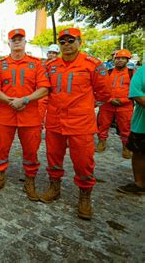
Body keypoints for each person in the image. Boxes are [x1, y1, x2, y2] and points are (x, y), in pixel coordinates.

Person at [41, 28, 111, 220]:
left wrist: (86, 105)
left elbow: (104, 93)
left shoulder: (93, 65)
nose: (66, 45)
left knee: (83, 162)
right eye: (62, 42)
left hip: (81, 123)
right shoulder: (51, 66)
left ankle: (85, 196)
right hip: (55, 121)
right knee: (53, 157)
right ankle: (54, 187)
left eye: (71, 41)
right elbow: (45, 91)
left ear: (80, 42)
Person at [0, 28, 50, 200]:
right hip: (6, 116)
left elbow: (44, 89)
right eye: (13, 39)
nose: (16, 42)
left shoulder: (36, 64)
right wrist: (10, 101)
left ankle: (30, 180)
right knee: (1, 148)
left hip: (30, 116)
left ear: (25, 42)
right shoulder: (0, 65)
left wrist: (25, 100)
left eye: (20, 39)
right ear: (8, 43)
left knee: (31, 150)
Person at [97, 49, 134, 158]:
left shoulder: (132, 73)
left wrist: (122, 100)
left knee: (126, 127)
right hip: (107, 104)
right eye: (117, 58)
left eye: (123, 58)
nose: (119, 60)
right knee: (103, 124)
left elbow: (134, 90)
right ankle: (102, 141)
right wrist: (110, 99)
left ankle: (126, 146)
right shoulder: (107, 72)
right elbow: (102, 88)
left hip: (125, 106)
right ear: (114, 60)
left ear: (127, 60)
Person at [117, 64, 145, 195]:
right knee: (139, 153)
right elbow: (135, 93)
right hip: (142, 124)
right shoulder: (142, 72)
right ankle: (139, 184)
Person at [38, 44, 60, 126]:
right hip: (43, 92)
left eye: (54, 53)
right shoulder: (42, 64)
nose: (51, 54)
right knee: (40, 113)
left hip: (55, 93)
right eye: (50, 52)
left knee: (55, 114)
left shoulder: (61, 64)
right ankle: (39, 128)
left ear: (57, 54)